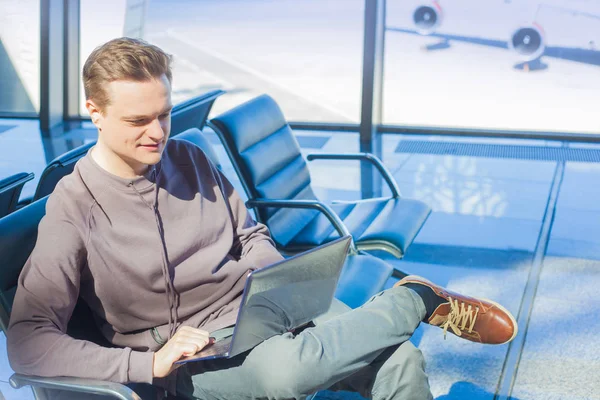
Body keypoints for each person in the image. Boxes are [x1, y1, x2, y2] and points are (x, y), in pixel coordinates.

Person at [7, 37, 517, 400]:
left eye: (163, 114)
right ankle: (415, 298)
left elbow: (249, 234)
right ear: (94, 112)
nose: (157, 133)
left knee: (399, 361)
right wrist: (146, 363)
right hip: (186, 354)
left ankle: (405, 305)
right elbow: (29, 347)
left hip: (257, 309)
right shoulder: (71, 211)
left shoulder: (190, 157)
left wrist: (275, 285)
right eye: (137, 121)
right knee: (284, 377)